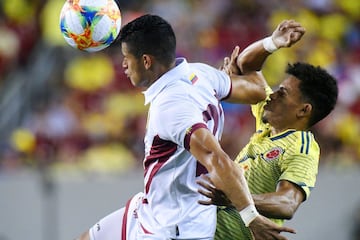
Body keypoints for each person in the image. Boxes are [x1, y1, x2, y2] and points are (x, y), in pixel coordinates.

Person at [75, 15, 306, 240]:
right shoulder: (201, 73)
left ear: (146, 61)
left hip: (174, 227)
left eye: (127, 57)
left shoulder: (172, 106)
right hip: (152, 209)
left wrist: (251, 218)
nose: (123, 64)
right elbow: (256, 90)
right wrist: (271, 43)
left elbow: (218, 160)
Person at [197, 20, 339, 239]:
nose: (272, 94)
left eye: (282, 92)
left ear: (303, 110)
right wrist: (272, 43)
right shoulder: (269, 122)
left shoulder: (303, 147)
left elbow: (287, 203)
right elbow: (246, 65)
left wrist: (237, 198)